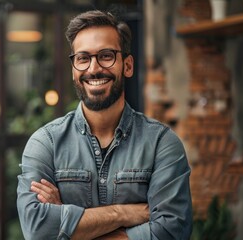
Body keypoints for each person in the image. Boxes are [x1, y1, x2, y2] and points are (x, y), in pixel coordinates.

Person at [16, 10, 192, 240]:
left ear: (127, 65)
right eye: (83, 58)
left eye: (106, 55)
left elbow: (171, 232)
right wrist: (123, 213)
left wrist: (68, 230)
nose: (93, 68)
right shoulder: (45, 143)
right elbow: (37, 230)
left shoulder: (162, 144)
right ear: (73, 69)